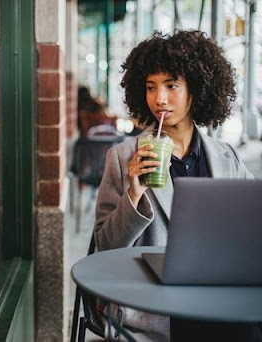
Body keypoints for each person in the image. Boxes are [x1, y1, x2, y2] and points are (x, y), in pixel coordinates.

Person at [93, 30, 259, 341]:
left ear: (197, 89)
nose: (160, 99)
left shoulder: (226, 157)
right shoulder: (122, 158)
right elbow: (104, 248)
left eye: (172, 86)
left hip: (219, 295)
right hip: (157, 308)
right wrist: (134, 192)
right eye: (151, 87)